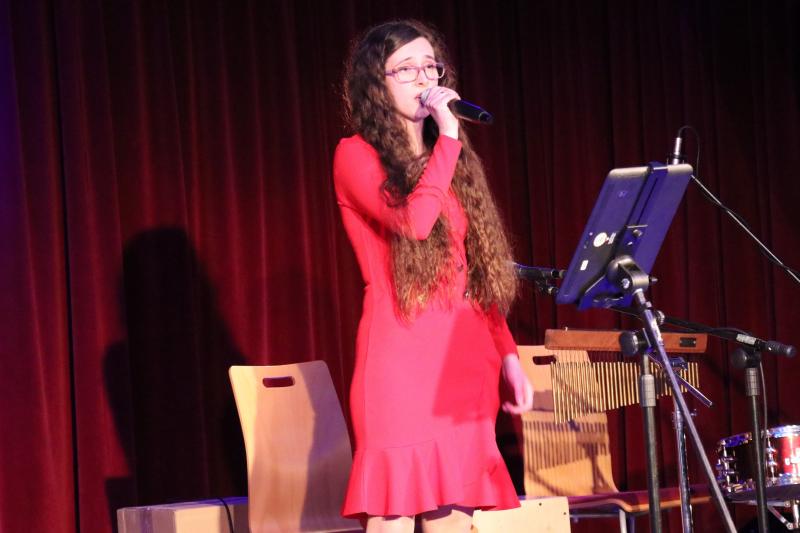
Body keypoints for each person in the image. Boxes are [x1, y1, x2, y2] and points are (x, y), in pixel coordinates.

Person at [333, 19, 534, 533]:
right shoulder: (355, 154)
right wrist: (447, 136)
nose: (423, 78)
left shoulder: (453, 163)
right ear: (376, 84)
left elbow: (473, 273)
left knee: (454, 520)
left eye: (430, 66)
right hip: (400, 361)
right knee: (394, 515)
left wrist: (509, 355)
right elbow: (415, 222)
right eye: (406, 69)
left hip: (463, 363)